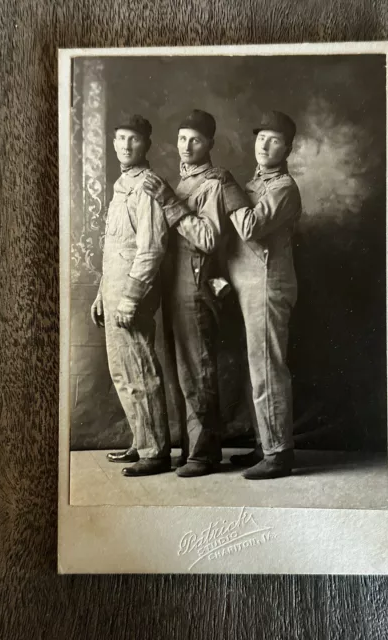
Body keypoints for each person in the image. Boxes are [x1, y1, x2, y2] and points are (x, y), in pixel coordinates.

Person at [142, 109, 249, 478]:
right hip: (175, 284)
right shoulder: (184, 182)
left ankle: (203, 454)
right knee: (181, 367)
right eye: (182, 138)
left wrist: (170, 203)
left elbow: (206, 239)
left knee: (198, 367)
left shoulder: (215, 183)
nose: (187, 146)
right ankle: (192, 450)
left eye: (196, 140)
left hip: (197, 283)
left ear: (210, 145)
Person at [90, 114, 188, 477]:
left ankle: (156, 451)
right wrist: (103, 293)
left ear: (146, 144)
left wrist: (130, 297)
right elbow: (115, 246)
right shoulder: (122, 183)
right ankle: (141, 440)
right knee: (122, 369)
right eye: (119, 138)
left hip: (135, 288)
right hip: (115, 287)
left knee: (140, 367)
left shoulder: (148, 185)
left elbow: (151, 248)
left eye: (133, 139)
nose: (125, 146)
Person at [227, 111, 302, 479]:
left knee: (268, 367)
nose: (264, 145)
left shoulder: (284, 188)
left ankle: (278, 454)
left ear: (287, 148)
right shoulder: (254, 184)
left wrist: (228, 191)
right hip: (249, 283)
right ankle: (264, 444)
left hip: (268, 284)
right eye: (260, 138)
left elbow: (249, 227)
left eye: (274, 140)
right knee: (257, 366)